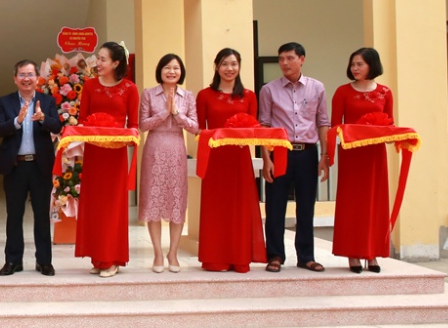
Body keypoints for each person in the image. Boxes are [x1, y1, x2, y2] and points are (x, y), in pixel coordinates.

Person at [259, 42, 330, 273]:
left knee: (306, 206)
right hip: (279, 152)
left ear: (302, 59)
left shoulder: (317, 88)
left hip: (308, 152)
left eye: (290, 58)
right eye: (281, 59)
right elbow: (264, 125)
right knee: (275, 205)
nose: (284, 63)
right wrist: (266, 158)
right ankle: (275, 255)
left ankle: (306, 257)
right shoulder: (269, 90)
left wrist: (325, 155)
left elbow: (323, 122)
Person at [195, 48, 266, 273]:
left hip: (239, 158)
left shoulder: (249, 96)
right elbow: (199, 129)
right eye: (224, 64)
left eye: (234, 64)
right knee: (216, 208)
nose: (229, 68)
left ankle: (239, 256)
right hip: (215, 158)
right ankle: (215, 258)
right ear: (216, 67)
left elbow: (254, 129)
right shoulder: (204, 95)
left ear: (239, 67)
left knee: (239, 207)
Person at [75, 41, 140, 278]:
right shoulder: (90, 86)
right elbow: (82, 119)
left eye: (103, 59)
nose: (98, 63)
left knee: (113, 207)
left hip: (115, 155)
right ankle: (97, 256)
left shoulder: (130, 89)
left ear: (116, 63)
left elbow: (134, 125)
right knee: (95, 205)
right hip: (94, 154)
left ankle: (112, 259)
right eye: (98, 58)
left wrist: (127, 137)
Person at [0, 59, 62, 276]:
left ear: (37, 78)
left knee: (41, 216)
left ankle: (44, 261)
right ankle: (13, 261)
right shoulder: (5, 102)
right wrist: (17, 120)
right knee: (14, 215)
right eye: (22, 74)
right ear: (15, 79)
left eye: (30, 74)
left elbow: (57, 126)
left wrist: (43, 118)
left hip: (40, 166)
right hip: (15, 166)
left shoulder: (47, 101)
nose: (26, 79)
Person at [330, 48, 394, 274]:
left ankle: (372, 252)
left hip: (375, 154)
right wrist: (330, 155)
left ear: (371, 65)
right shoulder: (342, 92)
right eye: (353, 64)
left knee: (375, 202)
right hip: (352, 153)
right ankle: (353, 253)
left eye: (360, 64)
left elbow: (390, 123)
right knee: (352, 202)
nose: (355, 68)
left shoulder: (385, 92)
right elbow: (335, 126)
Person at [138, 53, 198, 273]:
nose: (172, 71)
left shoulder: (188, 96)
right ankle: (157, 254)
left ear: (181, 72)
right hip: (154, 149)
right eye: (167, 68)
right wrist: (165, 112)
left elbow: (195, 127)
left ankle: (173, 253)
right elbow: (142, 125)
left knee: (176, 200)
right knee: (153, 200)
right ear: (160, 71)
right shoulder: (148, 94)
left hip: (176, 149)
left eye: (176, 68)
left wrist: (177, 113)